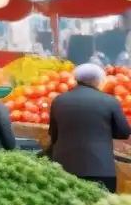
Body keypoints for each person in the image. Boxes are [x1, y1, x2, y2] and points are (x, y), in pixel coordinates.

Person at [48, 63, 131, 191]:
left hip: (63, 168)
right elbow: (124, 132)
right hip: (100, 168)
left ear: (76, 79)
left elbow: (54, 135)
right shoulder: (110, 101)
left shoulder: (58, 100)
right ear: (99, 81)